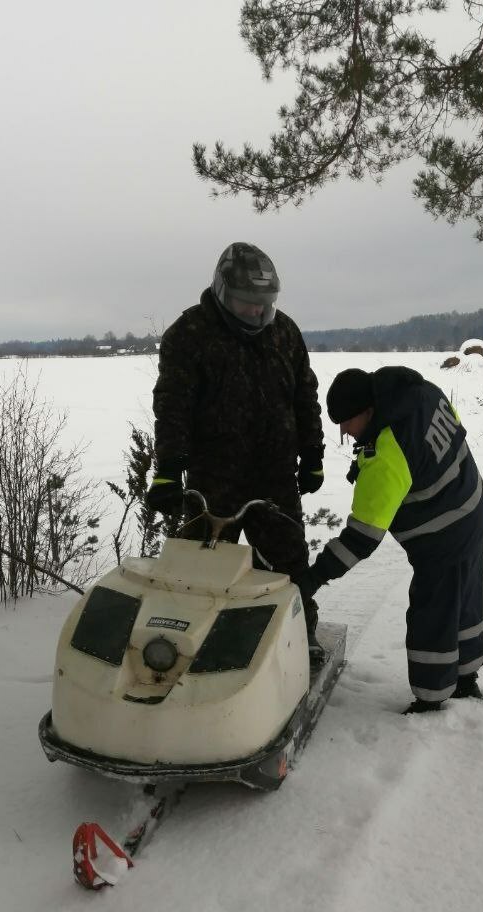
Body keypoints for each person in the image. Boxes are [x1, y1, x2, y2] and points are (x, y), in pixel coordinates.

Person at [147, 242, 325, 656]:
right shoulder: (189, 334)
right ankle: (186, 646)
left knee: (288, 564)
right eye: (247, 303)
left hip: (275, 475)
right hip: (214, 479)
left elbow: (305, 396)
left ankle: (299, 636)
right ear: (224, 292)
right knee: (198, 571)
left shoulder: (285, 332)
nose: (256, 313)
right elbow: (172, 405)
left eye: (264, 304)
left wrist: (312, 454)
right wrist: (170, 469)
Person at [294, 366, 483, 713]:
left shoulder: (386, 452)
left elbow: (362, 537)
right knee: (465, 599)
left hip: (442, 538)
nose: (343, 431)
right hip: (473, 509)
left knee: (432, 614)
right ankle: (466, 678)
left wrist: (315, 576)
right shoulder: (423, 393)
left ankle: (431, 701)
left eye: (346, 422)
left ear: (368, 410)